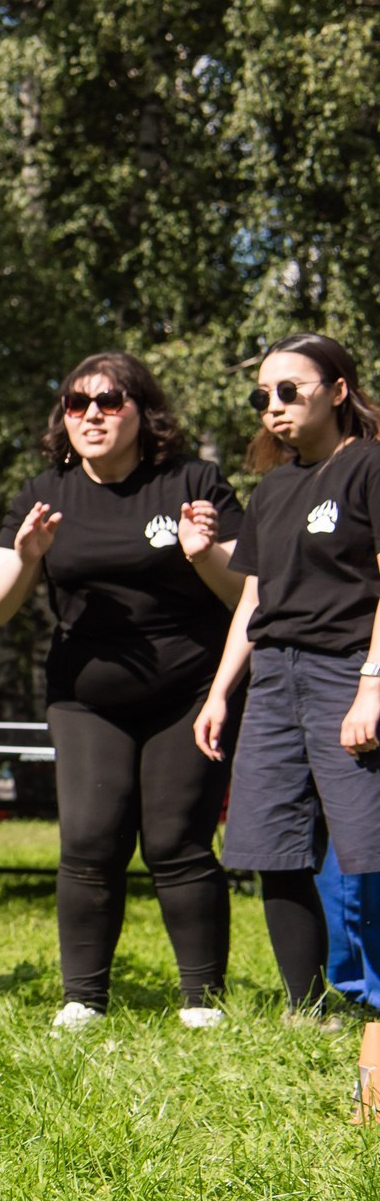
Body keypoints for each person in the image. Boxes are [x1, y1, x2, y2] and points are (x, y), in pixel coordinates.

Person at [0, 354, 243, 1032]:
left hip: (189, 691)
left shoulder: (192, 481)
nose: (90, 414)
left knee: (178, 840)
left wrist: (203, 554)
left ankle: (202, 1002)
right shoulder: (45, 492)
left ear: (143, 412)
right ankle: (83, 998)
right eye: (75, 402)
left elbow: (251, 595)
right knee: (90, 838)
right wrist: (28, 555)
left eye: (109, 401)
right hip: (86, 698)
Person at [197, 333, 380, 1021]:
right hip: (273, 676)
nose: (272, 406)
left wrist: (373, 682)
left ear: (337, 390)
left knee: (365, 840)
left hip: (346, 669)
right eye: (262, 395)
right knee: (271, 840)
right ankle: (307, 1006)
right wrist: (220, 691)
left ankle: (372, 1001)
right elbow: (254, 597)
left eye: (289, 390)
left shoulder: (369, 467)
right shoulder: (272, 488)